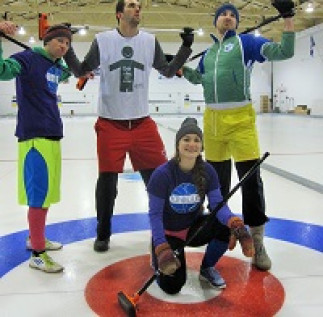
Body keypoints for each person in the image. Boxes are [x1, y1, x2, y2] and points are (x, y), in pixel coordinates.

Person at [64, 0, 194, 252]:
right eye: (132, 5)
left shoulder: (149, 41)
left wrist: (186, 47)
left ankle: (167, 230)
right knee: (107, 184)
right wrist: (68, 43)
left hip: (142, 122)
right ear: (119, 14)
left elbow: (167, 71)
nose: (138, 9)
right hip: (111, 123)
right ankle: (103, 233)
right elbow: (80, 69)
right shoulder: (103, 40)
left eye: (139, 6)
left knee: (158, 180)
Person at [182, 1, 295, 271]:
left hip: (241, 120)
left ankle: (257, 242)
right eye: (224, 14)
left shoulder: (246, 43)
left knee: (250, 181)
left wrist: (288, 19)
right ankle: (222, 232)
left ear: (237, 22)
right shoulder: (208, 53)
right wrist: (178, 66)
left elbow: (284, 52)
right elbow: (198, 79)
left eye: (233, 15)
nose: (229, 18)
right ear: (216, 21)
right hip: (213, 122)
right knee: (216, 184)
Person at [148, 117, 254, 293]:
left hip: (193, 228)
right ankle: (156, 257)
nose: (192, 144)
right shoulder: (162, 174)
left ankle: (207, 268)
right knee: (173, 287)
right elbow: (155, 215)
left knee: (224, 228)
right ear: (178, 144)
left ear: (202, 146)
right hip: (169, 234)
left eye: (197, 140)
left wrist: (234, 223)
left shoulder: (208, 171)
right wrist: (160, 245)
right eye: (186, 139)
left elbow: (218, 205)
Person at [0, 22, 73, 273]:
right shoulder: (27, 59)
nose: (63, 46)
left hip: (52, 135)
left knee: (46, 194)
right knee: (38, 197)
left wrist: (68, 67)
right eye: (59, 41)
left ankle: (36, 238)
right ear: (47, 40)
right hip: (34, 137)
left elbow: (65, 74)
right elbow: (2, 70)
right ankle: (38, 255)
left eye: (67, 43)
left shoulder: (54, 66)